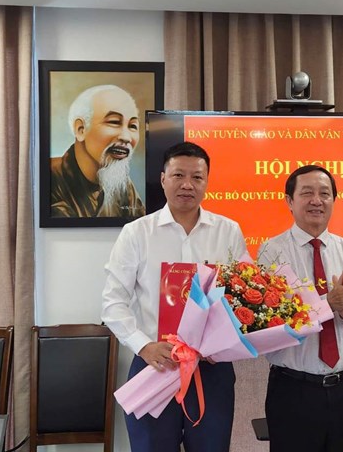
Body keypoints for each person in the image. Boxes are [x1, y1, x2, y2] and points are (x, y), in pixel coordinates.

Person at [101, 142, 247, 452]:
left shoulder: (228, 231)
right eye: (178, 175)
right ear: (163, 178)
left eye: (197, 177)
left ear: (207, 182)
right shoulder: (137, 233)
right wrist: (144, 346)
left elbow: (241, 295)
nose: (187, 184)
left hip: (211, 370)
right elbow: (113, 302)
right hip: (156, 364)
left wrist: (223, 339)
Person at [258, 164, 343, 452]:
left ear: (334, 201)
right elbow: (275, 323)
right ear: (289, 201)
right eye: (307, 192)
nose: (317, 200)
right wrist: (329, 304)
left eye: (325, 194)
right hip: (293, 390)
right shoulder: (272, 252)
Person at [50, 84, 145, 218]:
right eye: (114, 122)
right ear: (81, 129)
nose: (126, 137)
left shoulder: (122, 185)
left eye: (133, 126)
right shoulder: (49, 178)